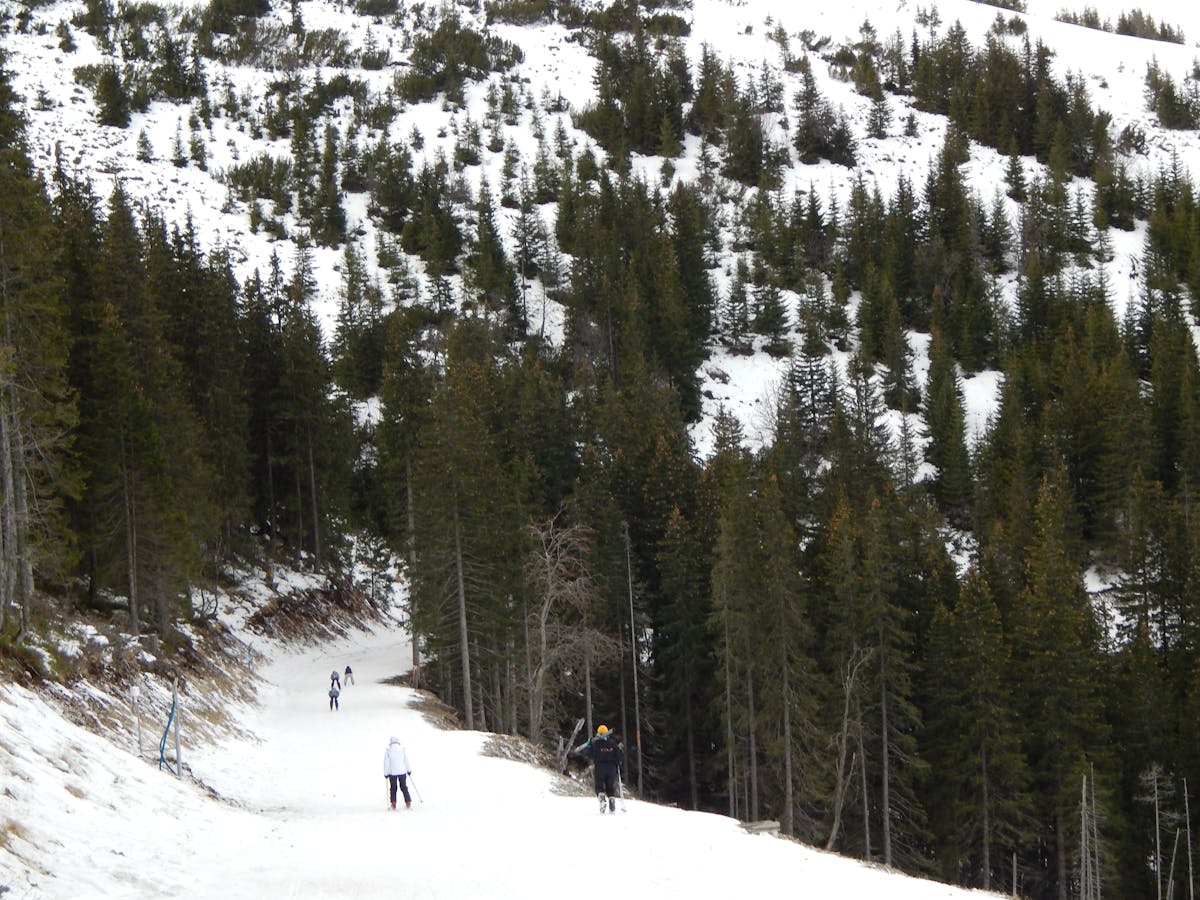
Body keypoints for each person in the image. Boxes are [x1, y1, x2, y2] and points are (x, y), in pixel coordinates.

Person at [572, 724, 624, 813]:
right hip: (611, 768)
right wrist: (618, 762)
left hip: (600, 767)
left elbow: (589, 754)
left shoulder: (594, 743)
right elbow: (619, 755)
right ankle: (612, 803)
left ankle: (602, 800)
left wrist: (590, 748)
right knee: (610, 786)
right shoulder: (612, 743)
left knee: (599, 786)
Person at [383, 735, 413, 809]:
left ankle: (393, 803)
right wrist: (409, 770)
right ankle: (408, 801)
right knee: (404, 787)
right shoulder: (402, 750)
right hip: (402, 772)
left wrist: (386, 773)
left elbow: (386, 763)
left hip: (392, 773)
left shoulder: (388, 751)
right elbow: (406, 761)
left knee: (393, 788)